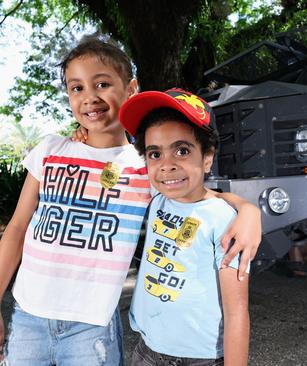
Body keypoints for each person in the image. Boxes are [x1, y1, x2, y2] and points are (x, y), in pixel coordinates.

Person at [0, 36, 260, 365]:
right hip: (27, 317)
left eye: (102, 84)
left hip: (92, 330)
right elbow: (17, 228)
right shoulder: (51, 150)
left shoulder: (146, 164)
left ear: (130, 88)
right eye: (76, 88)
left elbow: (198, 195)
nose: (89, 97)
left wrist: (247, 209)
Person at [119, 88, 249, 366]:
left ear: (207, 157)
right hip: (147, 351)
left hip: (199, 359)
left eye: (181, 150)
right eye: (155, 154)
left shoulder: (223, 219)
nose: (166, 166)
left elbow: (237, 311)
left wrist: (247, 210)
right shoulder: (157, 200)